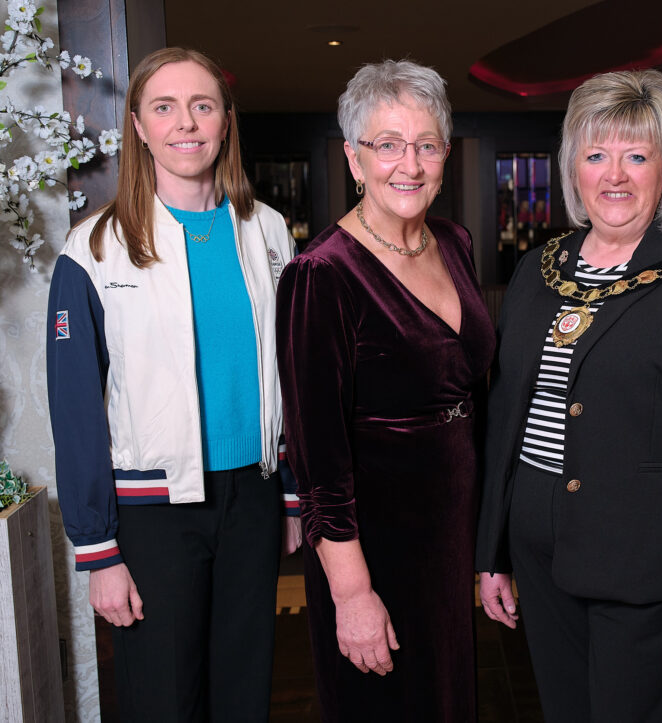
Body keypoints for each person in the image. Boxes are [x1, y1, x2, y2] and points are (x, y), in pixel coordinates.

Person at [475, 69, 662, 723]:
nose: (615, 175)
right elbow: (505, 419)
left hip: (648, 573)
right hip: (541, 557)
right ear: (572, 167)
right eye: (596, 154)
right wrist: (491, 551)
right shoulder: (539, 269)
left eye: (637, 155)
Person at [46, 47, 299, 720]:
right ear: (137, 125)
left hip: (253, 497)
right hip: (151, 512)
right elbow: (74, 411)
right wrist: (98, 550)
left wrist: (295, 491)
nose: (185, 123)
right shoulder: (93, 248)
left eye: (202, 105)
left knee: (243, 694)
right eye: (165, 107)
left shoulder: (270, 232)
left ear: (225, 121)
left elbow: (294, 373)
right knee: (163, 699)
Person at [276, 59, 495, 721]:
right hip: (374, 544)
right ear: (353, 156)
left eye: (427, 145)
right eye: (388, 144)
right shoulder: (321, 274)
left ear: (445, 154)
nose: (410, 163)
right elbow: (318, 459)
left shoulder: (453, 242)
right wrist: (352, 593)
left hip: (450, 533)